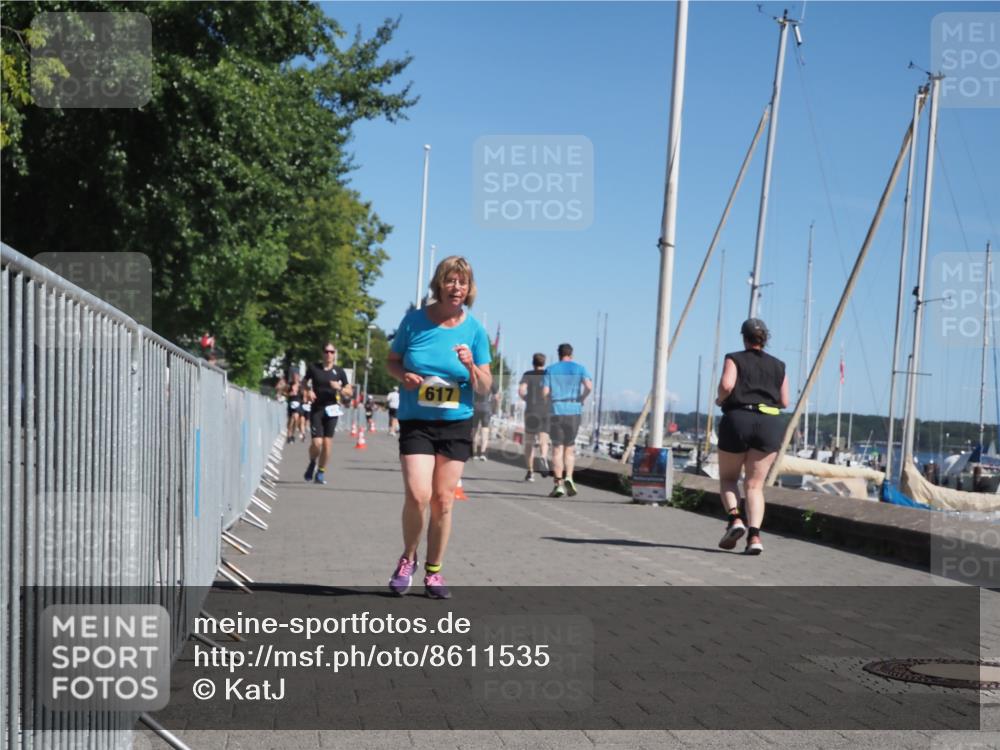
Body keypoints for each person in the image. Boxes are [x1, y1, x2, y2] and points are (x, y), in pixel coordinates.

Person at [386, 256, 492, 599]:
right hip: (417, 421)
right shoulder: (414, 322)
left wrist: (471, 366)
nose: (456, 287)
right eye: (450, 280)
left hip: (455, 423)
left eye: (462, 282)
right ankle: (408, 558)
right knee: (419, 495)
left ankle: (434, 571)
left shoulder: (475, 330)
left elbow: (485, 386)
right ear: (439, 284)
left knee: (444, 501)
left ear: (469, 288)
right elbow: (392, 361)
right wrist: (405, 376)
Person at [715, 318, 790, 555]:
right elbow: (784, 401)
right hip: (769, 423)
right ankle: (755, 537)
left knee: (729, 479)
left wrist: (720, 399)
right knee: (755, 486)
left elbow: (727, 386)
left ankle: (735, 519)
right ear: (765, 338)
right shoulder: (779, 365)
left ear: (744, 337)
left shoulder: (734, 358)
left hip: (738, 419)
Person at [542, 343, 592, 497]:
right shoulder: (580, 368)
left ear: (559, 354)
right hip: (574, 411)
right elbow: (589, 386)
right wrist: (582, 398)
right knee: (569, 448)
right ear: (571, 354)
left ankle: (559, 484)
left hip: (556, 410)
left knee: (557, 449)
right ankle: (569, 477)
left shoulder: (550, 369)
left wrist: (548, 402)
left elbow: (545, 392)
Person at [303, 343, 353, 485]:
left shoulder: (339, 371)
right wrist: (308, 391)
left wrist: (340, 388)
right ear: (322, 353)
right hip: (317, 409)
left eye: (332, 352)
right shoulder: (314, 368)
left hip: (332, 410)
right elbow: (304, 383)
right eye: (326, 351)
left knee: (327, 443)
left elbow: (349, 391)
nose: (329, 354)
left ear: (334, 354)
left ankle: (320, 471)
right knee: (316, 443)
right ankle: (312, 462)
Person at [519, 353, 551, 481]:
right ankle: (543, 457)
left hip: (531, 410)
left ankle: (530, 472)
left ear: (533, 363)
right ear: (544, 363)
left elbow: (521, 390)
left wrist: (526, 399)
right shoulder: (549, 374)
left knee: (529, 442)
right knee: (544, 439)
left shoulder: (528, 374)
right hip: (545, 410)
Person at [472, 379, 500, 460]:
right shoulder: (491, 381)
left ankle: (474, 453)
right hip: (486, 408)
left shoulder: (475, 380)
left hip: (475, 407)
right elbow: (496, 398)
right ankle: (483, 453)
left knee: (475, 431)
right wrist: (495, 409)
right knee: (485, 431)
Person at [284, 370, 307, 443]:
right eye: (294, 377)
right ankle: (289, 435)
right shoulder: (289, 385)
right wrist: (289, 394)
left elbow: (305, 395)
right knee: (290, 420)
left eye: (296, 377)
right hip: (291, 404)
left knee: (296, 418)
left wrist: (304, 398)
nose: (295, 378)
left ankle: (292, 434)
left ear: (299, 377)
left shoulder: (301, 386)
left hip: (299, 404)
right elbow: (284, 392)